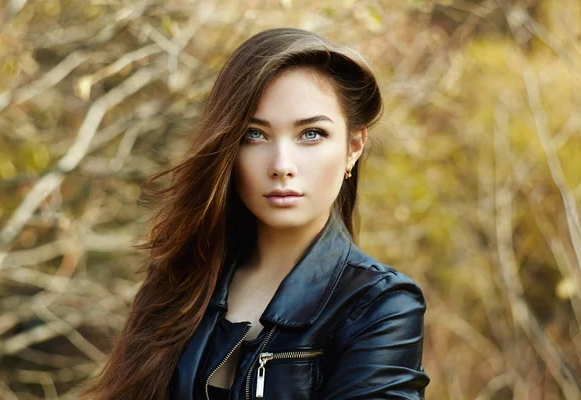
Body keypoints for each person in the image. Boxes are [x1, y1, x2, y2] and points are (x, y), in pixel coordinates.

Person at [79, 27, 430, 400]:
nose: (281, 166)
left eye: (311, 134)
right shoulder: (182, 277)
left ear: (353, 147)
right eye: (254, 135)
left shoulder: (379, 306)